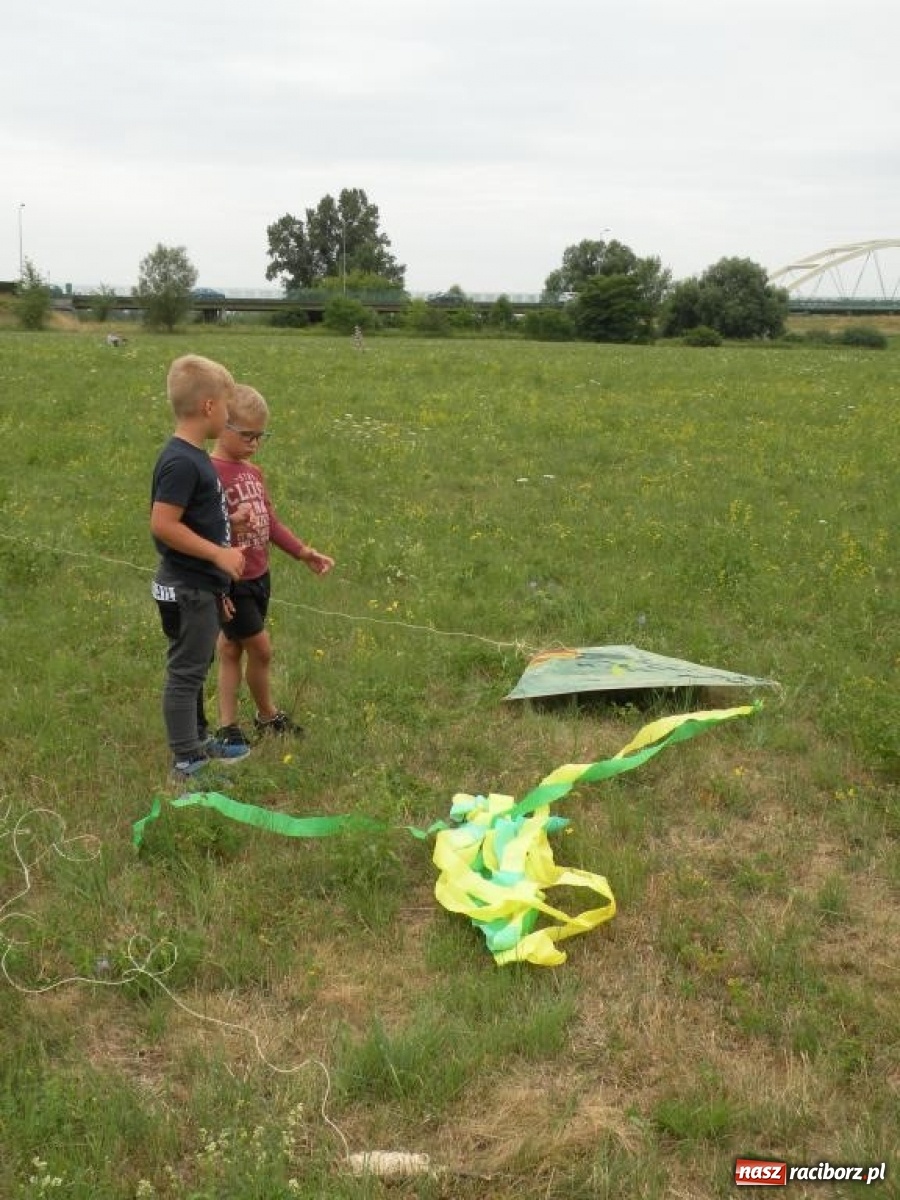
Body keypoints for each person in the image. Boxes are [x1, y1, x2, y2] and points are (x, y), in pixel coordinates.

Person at [211, 383, 334, 748]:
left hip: (259, 577)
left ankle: (227, 724)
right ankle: (267, 715)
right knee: (261, 648)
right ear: (221, 425)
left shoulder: (253, 472)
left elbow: (271, 523)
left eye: (260, 436)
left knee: (232, 648)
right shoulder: (209, 473)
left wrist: (303, 552)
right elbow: (200, 531)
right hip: (229, 581)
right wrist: (215, 584)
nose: (254, 443)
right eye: (246, 434)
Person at [150, 354, 252, 783]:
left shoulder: (194, 459)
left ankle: (197, 738)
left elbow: (192, 519)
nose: (229, 416)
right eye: (227, 407)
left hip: (201, 589)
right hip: (186, 589)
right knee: (186, 671)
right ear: (210, 407)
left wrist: (230, 525)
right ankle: (186, 761)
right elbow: (163, 525)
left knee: (197, 664)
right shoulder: (180, 461)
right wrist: (218, 555)